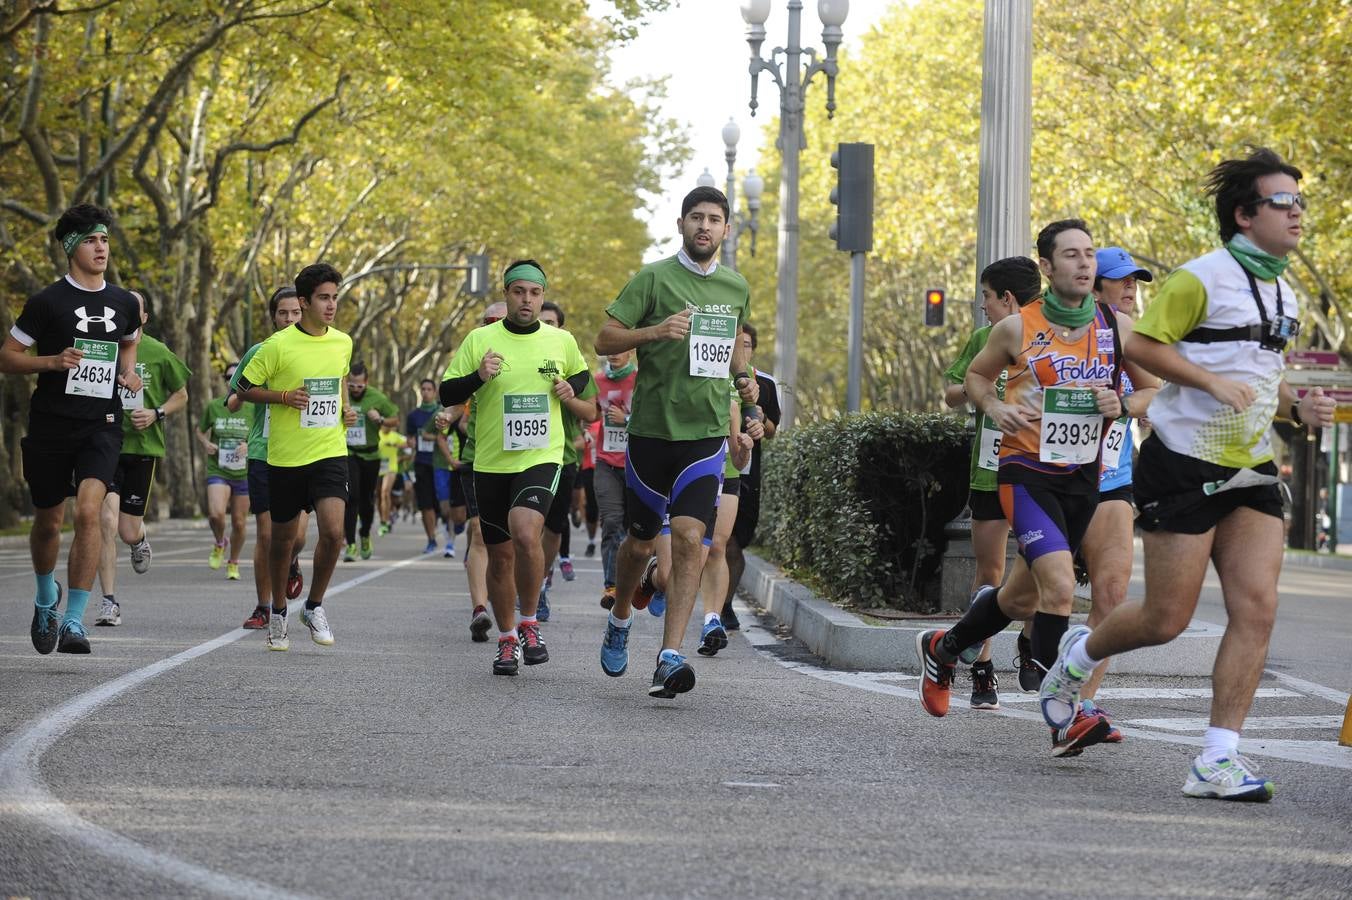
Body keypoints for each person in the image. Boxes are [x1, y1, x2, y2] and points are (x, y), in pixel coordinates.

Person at [1043, 148, 1334, 799]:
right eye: (1282, 203)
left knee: (1256, 608)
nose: (1296, 215)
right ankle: (1076, 660)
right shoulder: (1200, 279)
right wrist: (1207, 380)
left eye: (1300, 203)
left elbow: (1261, 380)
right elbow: (1140, 344)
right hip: (1182, 459)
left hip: (1252, 464)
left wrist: (1297, 405)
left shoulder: (1283, 288)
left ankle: (1216, 759)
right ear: (1243, 213)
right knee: (1165, 618)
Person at [916, 218, 1156, 760]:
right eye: (1070, 255)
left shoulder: (1115, 326)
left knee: (1022, 595)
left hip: (1084, 480)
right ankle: (1065, 713)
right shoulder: (1015, 328)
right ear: (1046, 267)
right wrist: (996, 406)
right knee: (1060, 589)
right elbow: (975, 379)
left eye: (1089, 253)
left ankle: (945, 645)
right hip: (1025, 474)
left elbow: (1152, 392)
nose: (1083, 263)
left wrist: (1125, 404)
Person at [595, 185, 754, 698]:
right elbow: (604, 339)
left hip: (705, 435)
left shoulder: (735, 286)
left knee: (690, 540)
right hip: (651, 434)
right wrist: (654, 332)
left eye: (714, 219)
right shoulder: (653, 277)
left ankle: (670, 655)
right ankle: (621, 615)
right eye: (696, 218)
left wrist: (746, 381)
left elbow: (729, 352)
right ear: (681, 224)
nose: (705, 227)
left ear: (727, 230)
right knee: (640, 542)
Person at [440, 261, 596, 675]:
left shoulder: (561, 341)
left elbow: (582, 382)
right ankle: (507, 638)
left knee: (527, 531)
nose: (527, 299)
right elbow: (446, 391)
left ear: (542, 296)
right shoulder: (480, 339)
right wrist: (477, 375)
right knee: (500, 555)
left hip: (541, 456)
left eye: (534, 292)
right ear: (506, 294)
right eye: (518, 292)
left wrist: (569, 389)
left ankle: (529, 622)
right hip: (490, 461)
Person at [0, 203, 142, 655]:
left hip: (101, 424)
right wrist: (52, 361)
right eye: (91, 241)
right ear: (70, 248)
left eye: (104, 240)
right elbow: (7, 357)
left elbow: (128, 342)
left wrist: (129, 373)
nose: (101, 248)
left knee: (89, 513)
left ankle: (75, 621)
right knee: (48, 521)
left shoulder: (124, 302)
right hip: (50, 425)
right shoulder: (46, 302)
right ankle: (47, 598)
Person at [236, 263, 357, 651]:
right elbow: (243, 387)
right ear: (304, 302)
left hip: (329, 451)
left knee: (335, 532)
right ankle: (277, 609)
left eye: (335, 298)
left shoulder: (343, 342)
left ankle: (315, 605)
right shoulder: (277, 345)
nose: (331, 305)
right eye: (324, 298)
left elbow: (338, 386)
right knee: (282, 540)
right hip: (286, 457)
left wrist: (345, 408)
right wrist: (283, 398)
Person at [940, 256, 1042, 707]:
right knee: (991, 572)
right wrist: (980, 384)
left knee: (1040, 566)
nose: (981, 305)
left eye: (986, 296)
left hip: (1040, 469)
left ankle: (1030, 646)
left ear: (1007, 298)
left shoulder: (1052, 338)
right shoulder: (985, 339)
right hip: (990, 468)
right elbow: (951, 393)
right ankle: (982, 669)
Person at [1070, 246, 1155, 737]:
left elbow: (1155, 391)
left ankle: (1082, 703)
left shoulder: (1133, 337)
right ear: (1093, 286)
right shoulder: (1057, 333)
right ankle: (960, 645)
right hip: (1052, 480)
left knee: (1113, 592)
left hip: (1111, 480)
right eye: (1121, 281)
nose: (1131, 290)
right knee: (1035, 597)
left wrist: (1125, 402)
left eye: (1135, 282)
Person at [94, 289, 191, 626]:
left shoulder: (159, 352)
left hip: (143, 449)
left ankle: (139, 539)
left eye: (135, 311)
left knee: (126, 529)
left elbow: (182, 395)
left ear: (144, 317)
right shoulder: (103, 349)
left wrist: (156, 413)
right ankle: (108, 602)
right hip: (105, 446)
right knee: (104, 523)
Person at [228, 286, 309, 630]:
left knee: (298, 535)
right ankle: (264, 606)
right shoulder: (259, 352)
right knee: (266, 533)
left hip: (307, 451)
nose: (289, 319)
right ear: (273, 316)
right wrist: (238, 399)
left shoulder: (318, 350)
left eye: (295, 313)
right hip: (264, 450)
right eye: (282, 313)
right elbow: (237, 394)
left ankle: (290, 559)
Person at [535, 299, 594, 621]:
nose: (545, 327)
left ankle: (540, 582)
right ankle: (527, 583)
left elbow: (592, 411)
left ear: (561, 328)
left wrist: (569, 397)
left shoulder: (573, 365)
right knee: (525, 528)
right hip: (515, 459)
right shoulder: (514, 355)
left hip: (561, 458)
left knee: (552, 528)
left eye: (552, 323)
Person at [722, 323, 781, 632]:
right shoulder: (714, 375)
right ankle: (716, 609)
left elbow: (772, 432)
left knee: (736, 545)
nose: (739, 349)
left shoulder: (765, 383)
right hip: (716, 467)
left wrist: (760, 416)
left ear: (753, 349)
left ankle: (726, 601)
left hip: (747, 472)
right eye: (735, 343)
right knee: (720, 541)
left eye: (745, 344)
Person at [458, 301, 507, 643]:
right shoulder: (475, 362)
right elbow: (456, 404)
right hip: (478, 458)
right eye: (490, 322)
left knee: (511, 540)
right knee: (479, 532)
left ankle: (511, 601)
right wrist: (448, 417)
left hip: (523, 462)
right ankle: (479, 609)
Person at [592, 348, 638, 610]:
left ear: (631, 351)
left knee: (638, 529)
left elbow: (655, 414)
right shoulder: (597, 381)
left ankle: (643, 582)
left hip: (638, 465)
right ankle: (612, 587)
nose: (613, 354)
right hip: (606, 463)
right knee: (611, 522)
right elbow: (589, 412)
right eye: (610, 350)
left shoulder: (641, 379)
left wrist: (626, 419)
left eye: (619, 349)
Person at [198, 362, 252, 580]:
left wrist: (248, 446)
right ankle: (220, 542)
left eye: (237, 376)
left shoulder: (254, 406)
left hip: (244, 472)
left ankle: (234, 562)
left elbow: (263, 434)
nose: (232, 380)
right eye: (228, 376)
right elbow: (200, 430)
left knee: (239, 522)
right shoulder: (214, 406)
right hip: (218, 468)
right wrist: (205, 443)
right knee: (216, 514)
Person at [342, 362, 399, 561]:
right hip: (349, 452)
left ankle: (364, 535)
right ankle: (350, 545)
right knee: (352, 497)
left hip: (371, 455)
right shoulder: (342, 395)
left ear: (366, 382)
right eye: (351, 385)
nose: (355, 390)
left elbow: (395, 420)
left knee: (367, 499)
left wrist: (381, 420)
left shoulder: (378, 398)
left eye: (359, 386)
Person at [406, 379, 442, 553]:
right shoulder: (413, 416)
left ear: (435, 392)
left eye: (429, 389)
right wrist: (411, 442)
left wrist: (436, 439)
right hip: (421, 463)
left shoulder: (443, 413)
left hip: (441, 464)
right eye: (424, 389)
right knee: (425, 504)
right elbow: (410, 438)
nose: (426, 392)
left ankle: (443, 526)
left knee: (441, 506)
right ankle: (431, 539)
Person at [377, 419, 405, 533]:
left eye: (390, 425)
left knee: (385, 492)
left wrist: (397, 445)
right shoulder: (376, 434)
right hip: (377, 468)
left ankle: (386, 519)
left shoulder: (396, 436)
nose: (388, 427)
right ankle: (383, 520)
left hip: (391, 467)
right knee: (378, 496)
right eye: (386, 425)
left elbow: (407, 445)